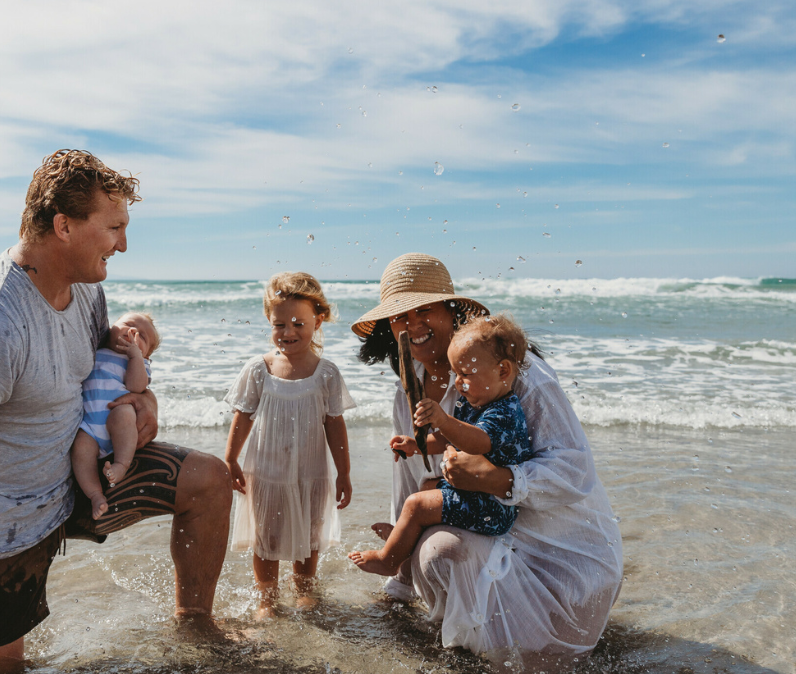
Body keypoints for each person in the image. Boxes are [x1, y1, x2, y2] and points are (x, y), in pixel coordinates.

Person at [0, 150, 232, 671]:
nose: (124, 244)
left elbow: (94, 371)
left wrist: (143, 398)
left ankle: (196, 627)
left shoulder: (87, 287)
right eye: (114, 227)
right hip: (0, 529)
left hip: (73, 478)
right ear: (63, 225)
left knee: (209, 479)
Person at [351, 253, 623, 669]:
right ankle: (468, 644)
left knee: (440, 550)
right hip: (487, 528)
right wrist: (398, 585)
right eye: (400, 316)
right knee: (429, 541)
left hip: (560, 553)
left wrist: (500, 479)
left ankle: (503, 643)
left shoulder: (519, 376)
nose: (414, 324)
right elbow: (408, 487)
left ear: (452, 311)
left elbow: (574, 471)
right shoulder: (408, 394)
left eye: (425, 309)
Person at [348, 313, 533, 575]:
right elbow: (452, 438)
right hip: (477, 495)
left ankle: (388, 560)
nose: (458, 382)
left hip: (493, 507)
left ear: (502, 370)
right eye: (455, 373)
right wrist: (416, 445)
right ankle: (406, 540)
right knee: (427, 487)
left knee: (416, 505)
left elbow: (478, 441)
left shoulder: (504, 411)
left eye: (465, 373)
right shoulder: (477, 402)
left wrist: (444, 420)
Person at [223, 272, 355, 619]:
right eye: (279, 324)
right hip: (266, 470)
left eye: (299, 323)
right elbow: (244, 415)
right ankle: (267, 599)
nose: (288, 332)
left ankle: (304, 591)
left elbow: (334, 423)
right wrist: (230, 459)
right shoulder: (259, 369)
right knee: (265, 536)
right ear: (269, 321)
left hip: (310, 469)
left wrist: (344, 472)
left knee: (310, 534)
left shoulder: (326, 373)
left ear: (318, 320)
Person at [72, 311, 160, 520]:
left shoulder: (138, 363)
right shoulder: (95, 350)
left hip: (116, 419)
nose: (133, 332)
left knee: (124, 412)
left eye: (143, 337)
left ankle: (121, 464)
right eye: (128, 325)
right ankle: (95, 495)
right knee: (80, 449)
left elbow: (136, 386)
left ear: (147, 354)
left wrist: (135, 357)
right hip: (90, 426)